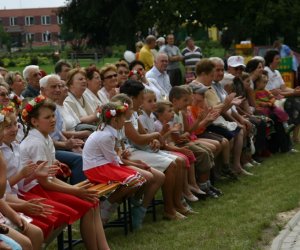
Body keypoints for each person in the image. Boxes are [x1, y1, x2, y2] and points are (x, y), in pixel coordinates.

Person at [20, 95, 110, 250]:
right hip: (35, 190)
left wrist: (76, 190)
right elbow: (44, 181)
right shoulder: (35, 143)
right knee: (88, 204)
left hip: (45, 186)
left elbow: (50, 177)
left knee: (92, 200)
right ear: (34, 122)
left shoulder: (45, 138)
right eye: (47, 117)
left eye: (53, 115)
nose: (53, 120)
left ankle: (102, 247)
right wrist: (74, 190)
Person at [119, 80, 190, 219]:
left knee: (180, 161)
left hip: (138, 149)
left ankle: (177, 204)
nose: (142, 99)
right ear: (133, 98)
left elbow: (143, 134)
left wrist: (154, 141)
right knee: (171, 164)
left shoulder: (133, 112)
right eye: (141, 97)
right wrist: (157, 135)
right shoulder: (124, 114)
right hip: (129, 152)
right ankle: (169, 209)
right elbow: (137, 139)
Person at [83, 102, 146, 228]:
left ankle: (110, 206)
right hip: (96, 168)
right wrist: (126, 164)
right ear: (115, 120)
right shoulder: (106, 135)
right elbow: (112, 158)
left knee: (138, 179)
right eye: (123, 117)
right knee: (133, 180)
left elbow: (113, 157)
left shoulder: (108, 131)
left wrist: (123, 162)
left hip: (104, 164)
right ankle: (106, 206)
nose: (125, 120)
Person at [40, 74, 87, 184]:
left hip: (58, 145)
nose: (58, 90)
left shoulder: (53, 105)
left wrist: (70, 143)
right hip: (48, 149)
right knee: (79, 159)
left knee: (89, 151)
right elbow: (44, 138)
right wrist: (66, 145)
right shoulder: (41, 108)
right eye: (53, 87)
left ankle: (97, 191)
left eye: (59, 86)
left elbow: (58, 132)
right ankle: (80, 192)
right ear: (42, 90)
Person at [264, 49, 300, 143]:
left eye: (279, 58)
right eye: (277, 59)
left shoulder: (276, 72)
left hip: (280, 98)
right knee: (295, 104)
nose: (279, 61)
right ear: (270, 60)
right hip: (272, 100)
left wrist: (295, 90)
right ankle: (291, 136)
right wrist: (293, 93)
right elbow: (272, 93)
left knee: (297, 101)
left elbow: (283, 88)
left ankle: (295, 137)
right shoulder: (266, 72)